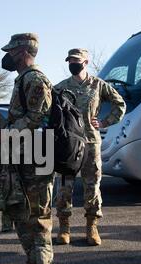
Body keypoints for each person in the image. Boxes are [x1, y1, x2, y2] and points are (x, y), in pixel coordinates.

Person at [0, 33, 55, 264]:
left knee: (38, 216)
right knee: (23, 212)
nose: (7, 56)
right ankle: (32, 263)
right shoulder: (23, 79)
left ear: (22, 52)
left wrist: (8, 131)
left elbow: (37, 117)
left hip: (37, 155)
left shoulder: (35, 79)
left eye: (11, 51)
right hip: (24, 154)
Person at [54, 48, 126, 246]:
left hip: (90, 142)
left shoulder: (98, 85)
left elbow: (119, 104)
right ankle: (64, 227)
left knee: (92, 185)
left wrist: (104, 122)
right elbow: (50, 111)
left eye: (76, 61)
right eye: (69, 61)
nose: (72, 64)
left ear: (86, 62)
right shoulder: (60, 88)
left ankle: (91, 227)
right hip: (68, 145)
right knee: (64, 186)